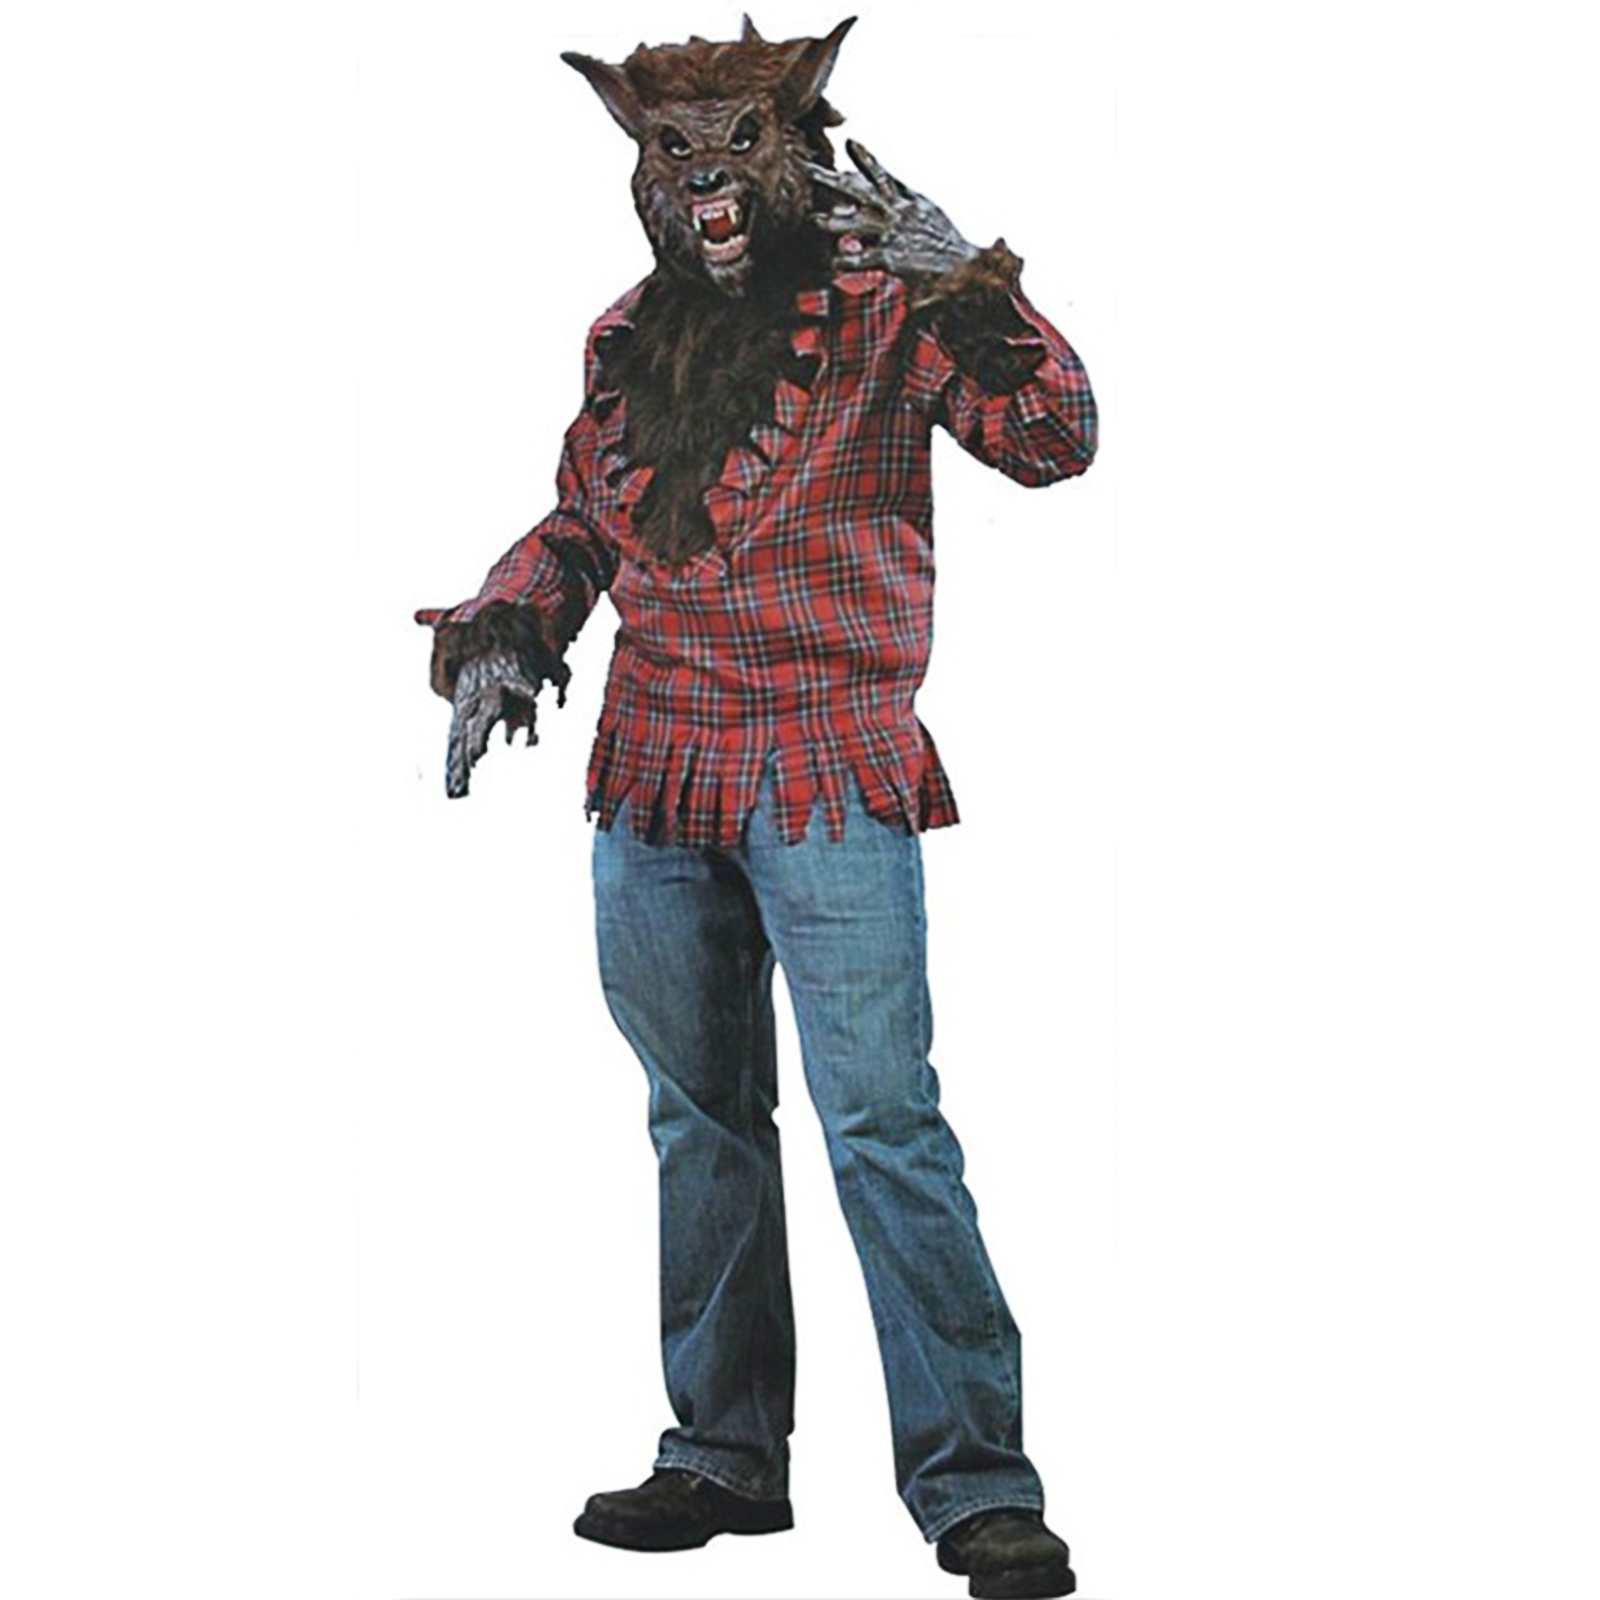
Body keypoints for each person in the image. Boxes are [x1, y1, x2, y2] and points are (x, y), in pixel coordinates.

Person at [416, 18, 1096, 1598]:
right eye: (678, 153)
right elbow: (585, 523)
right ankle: (723, 1451)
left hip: (825, 768)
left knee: (882, 1125)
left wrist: (969, 284)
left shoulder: (885, 307)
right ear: (646, 170)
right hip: (655, 774)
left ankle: (977, 1484)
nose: (711, 182)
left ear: (792, 154)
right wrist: (506, 632)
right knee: (699, 1121)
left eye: (740, 148)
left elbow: (1055, 441)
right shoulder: (624, 336)